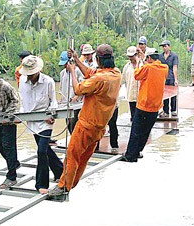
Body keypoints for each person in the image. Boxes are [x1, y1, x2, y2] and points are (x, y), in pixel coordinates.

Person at [48, 44, 121, 197]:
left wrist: (73, 71)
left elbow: (78, 90)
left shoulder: (100, 78)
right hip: (100, 128)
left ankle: (63, 186)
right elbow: (90, 72)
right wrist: (76, 58)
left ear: (98, 59)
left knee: (72, 154)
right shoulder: (115, 73)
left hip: (87, 124)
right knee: (83, 157)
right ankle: (71, 183)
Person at [19, 55, 64, 194]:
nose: (30, 76)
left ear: (38, 71)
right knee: (44, 150)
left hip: (45, 121)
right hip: (31, 121)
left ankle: (41, 184)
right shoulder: (22, 80)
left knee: (41, 151)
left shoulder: (48, 81)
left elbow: (53, 101)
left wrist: (52, 114)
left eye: (32, 73)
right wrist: (20, 114)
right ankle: (60, 171)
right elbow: (22, 99)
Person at [121, 48, 168, 162]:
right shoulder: (164, 68)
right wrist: (143, 57)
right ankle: (138, 152)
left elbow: (137, 75)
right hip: (155, 107)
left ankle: (130, 155)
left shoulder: (146, 68)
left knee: (136, 131)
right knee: (145, 132)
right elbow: (151, 68)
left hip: (143, 105)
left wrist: (138, 62)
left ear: (150, 58)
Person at [58, 51, 84, 134]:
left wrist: (75, 97)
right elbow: (61, 88)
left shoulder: (78, 72)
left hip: (76, 104)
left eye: (66, 64)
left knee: (74, 123)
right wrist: (61, 99)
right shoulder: (62, 73)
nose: (65, 66)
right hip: (66, 103)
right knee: (68, 124)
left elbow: (83, 88)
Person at [159, 40, 179, 117]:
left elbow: (175, 67)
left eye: (165, 46)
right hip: (163, 78)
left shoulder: (174, 56)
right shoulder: (160, 56)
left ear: (169, 46)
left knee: (173, 94)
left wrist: (176, 79)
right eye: (163, 46)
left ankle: (173, 110)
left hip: (171, 78)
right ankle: (165, 111)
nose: (164, 48)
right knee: (164, 95)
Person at [122, 46, 142, 121]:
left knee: (140, 116)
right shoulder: (126, 67)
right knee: (133, 116)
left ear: (136, 55)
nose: (131, 58)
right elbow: (122, 79)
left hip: (141, 96)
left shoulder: (142, 65)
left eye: (132, 56)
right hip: (131, 95)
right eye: (129, 56)